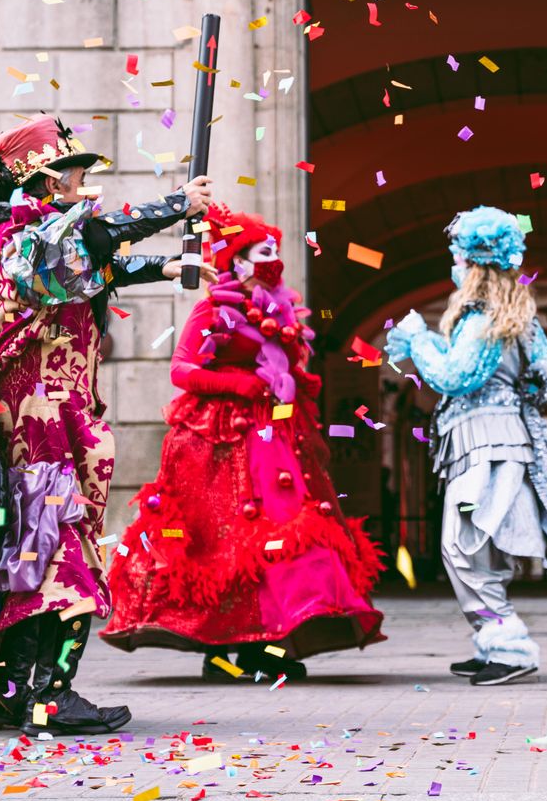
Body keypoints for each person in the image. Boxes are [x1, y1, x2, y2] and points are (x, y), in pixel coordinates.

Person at [0, 114, 213, 735]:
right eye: (72, 171)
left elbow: (92, 268)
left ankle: (9, 694)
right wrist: (179, 204)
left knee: (35, 561)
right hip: (40, 429)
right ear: (46, 180)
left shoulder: (38, 242)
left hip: (53, 419)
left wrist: (164, 267)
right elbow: (95, 241)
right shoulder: (27, 239)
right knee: (58, 558)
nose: (80, 181)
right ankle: (49, 696)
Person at [101, 204, 385, 679]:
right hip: (219, 441)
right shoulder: (212, 309)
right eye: (263, 252)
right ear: (237, 260)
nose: (274, 259)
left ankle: (267, 645)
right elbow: (182, 369)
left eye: (275, 251)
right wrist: (237, 384)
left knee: (283, 534)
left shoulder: (282, 310)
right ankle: (218, 648)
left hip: (275, 436)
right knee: (221, 541)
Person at [385, 207, 547, 686]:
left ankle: (508, 645)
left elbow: (455, 376)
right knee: (479, 546)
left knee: (463, 545)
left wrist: (419, 340)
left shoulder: (484, 319)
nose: (453, 266)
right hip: (499, 441)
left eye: (457, 257)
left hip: (486, 443)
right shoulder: (516, 317)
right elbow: (545, 375)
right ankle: (491, 639)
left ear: (473, 264)